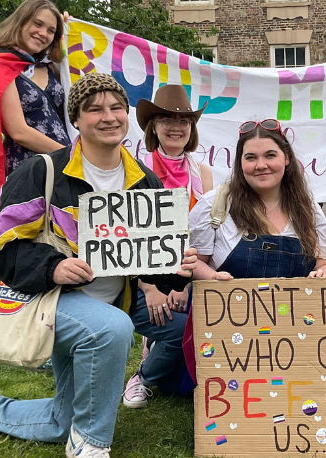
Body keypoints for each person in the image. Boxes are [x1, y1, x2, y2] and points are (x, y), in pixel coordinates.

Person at [0, 73, 199, 458]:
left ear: (126, 115)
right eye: (95, 109)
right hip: (53, 303)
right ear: (76, 118)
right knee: (112, 327)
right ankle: (90, 444)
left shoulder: (145, 181)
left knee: (61, 421)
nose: (108, 117)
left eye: (116, 108)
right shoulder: (43, 171)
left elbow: (150, 266)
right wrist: (53, 266)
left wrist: (178, 265)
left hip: (110, 303)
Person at [175, 119, 326, 391]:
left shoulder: (308, 209)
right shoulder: (214, 205)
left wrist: (322, 276)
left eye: (270, 155)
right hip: (230, 329)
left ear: (286, 159)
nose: (261, 165)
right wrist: (212, 277)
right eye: (251, 158)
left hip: (293, 329)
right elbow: (194, 263)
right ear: (240, 164)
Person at [121, 84, 213, 408]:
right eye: (167, 119)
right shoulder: (133, 170)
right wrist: (149, 288)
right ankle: (143, 377)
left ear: (192, 129)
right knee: (174, 326)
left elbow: (206, 235)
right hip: (149, 278)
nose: (176, 127)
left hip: (192, 271)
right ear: (153, 126)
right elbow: (129, 238)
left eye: (184, 121)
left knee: (202, 326)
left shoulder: (203, 173)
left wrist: (187, 282)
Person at [0, 0, 69, 229]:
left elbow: (66, 58)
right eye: (38, 24)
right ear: (21, 21)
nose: (43, 33)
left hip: (61, 166)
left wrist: (70, 31)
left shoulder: (47, 66)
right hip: (30, 166)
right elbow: (19, 131)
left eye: (51, 30)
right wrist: (73, 155)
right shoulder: (0, 65)